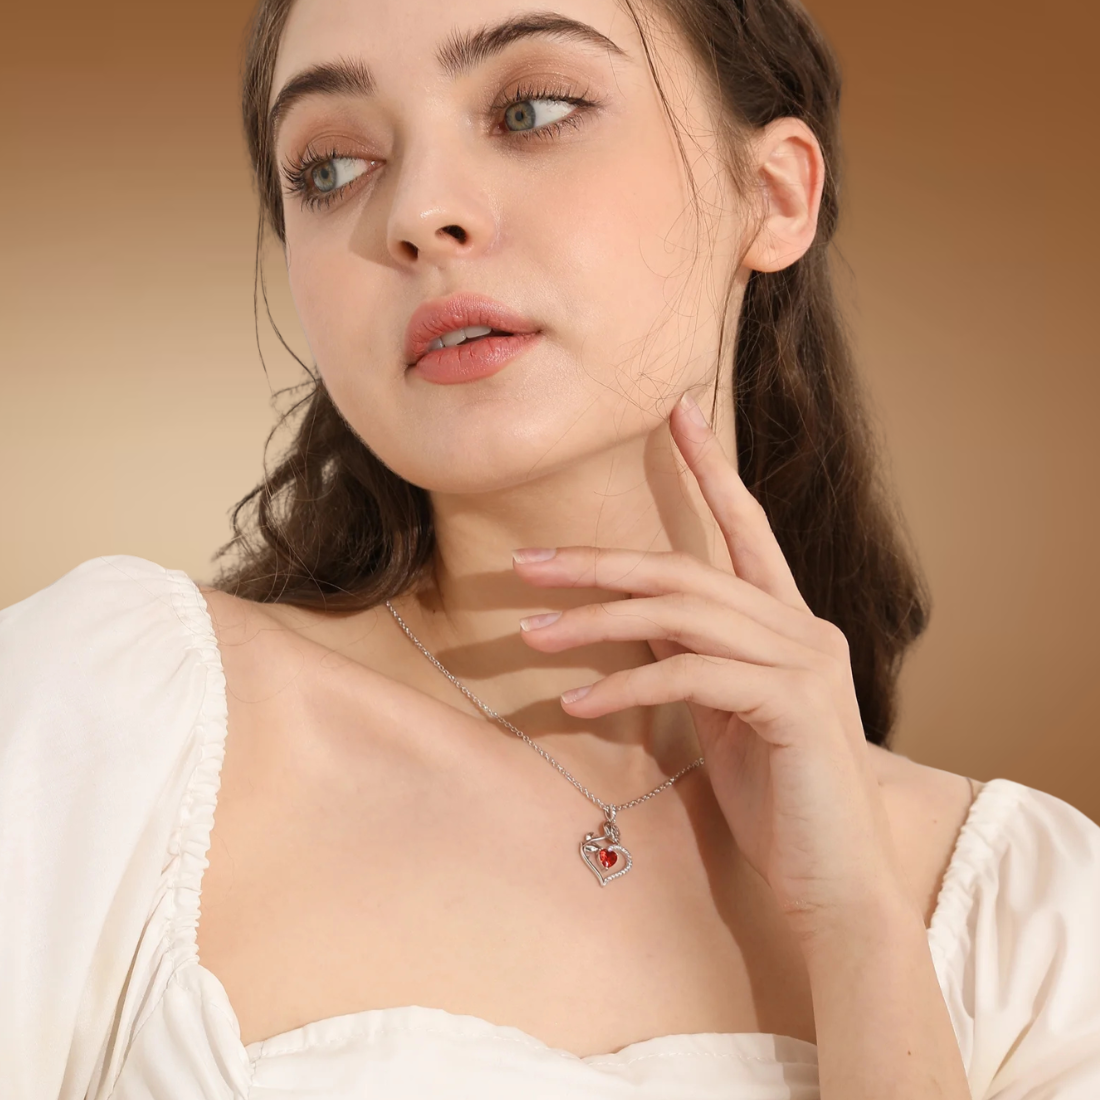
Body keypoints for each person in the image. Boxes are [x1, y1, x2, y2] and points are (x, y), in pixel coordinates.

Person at [2, 0, 1098, 1096]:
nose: (419, 215)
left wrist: (858, 926)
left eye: (530, 110)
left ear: (772, 195)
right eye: (331, 167)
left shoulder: (1028, 919)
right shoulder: (105, 729)